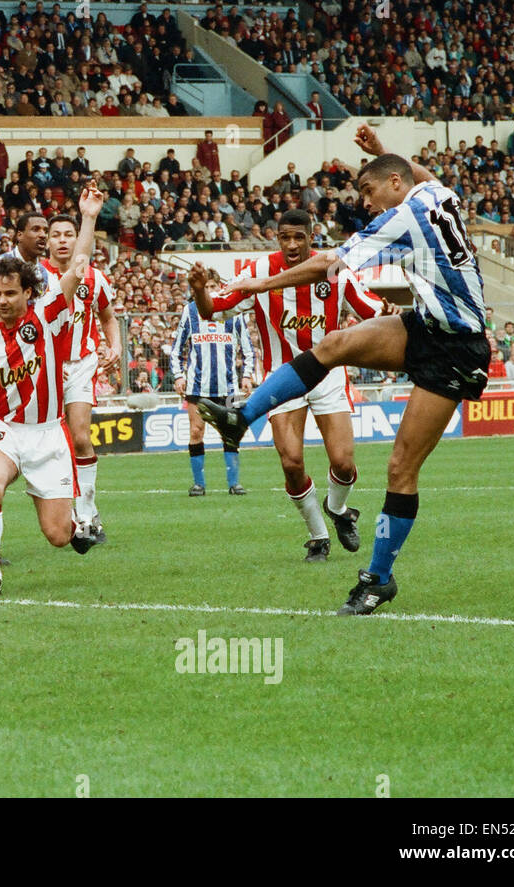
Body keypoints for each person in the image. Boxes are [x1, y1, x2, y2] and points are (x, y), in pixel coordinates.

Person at [195, 125, 491, 615]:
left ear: (394, 184)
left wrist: (255, 286)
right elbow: (421, 172)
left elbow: (329, 264)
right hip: (429, 325)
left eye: (369, 191)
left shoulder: (404, 215)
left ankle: (378, 579)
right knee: (333, 344)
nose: (368, 203)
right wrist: (383, 152)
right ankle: (240, 417)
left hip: (456, 348)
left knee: (400, 466)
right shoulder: (436, 193)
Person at [190, 208, 385, 561]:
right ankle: (318, 535)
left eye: (299, 237)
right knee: (292, 463)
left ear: (312, 236)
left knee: (342, 463)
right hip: (281, 378)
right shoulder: (259, 272)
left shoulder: (335, 270)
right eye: (285, 237)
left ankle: (338, 511)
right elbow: (212, 309)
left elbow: (375, 312)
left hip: (328, 375)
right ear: (276, 238)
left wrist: (397, 313)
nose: (292, 244)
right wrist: (199, 289)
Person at [0, 184, 104, 599]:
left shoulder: (48, 316)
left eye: (10, 293)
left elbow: (78, 267)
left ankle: (76, 526)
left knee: (57, 536)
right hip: (5, 428)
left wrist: (88, 216)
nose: (1, 301)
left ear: (28, 292)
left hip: (48, 433)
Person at [40, 212, 121, 540]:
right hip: (44, 369)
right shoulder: (35, 276)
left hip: (81, 364)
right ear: (46, 241)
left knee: (81, 438)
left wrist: (114, 345)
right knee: (48, 446)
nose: (62, 240)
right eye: (55, 234)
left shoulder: (95, 278)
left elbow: (108, 316)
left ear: (78, 239)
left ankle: (86, 514)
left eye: (68, 234)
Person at [170, 299, 253, 497]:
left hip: (228, 387)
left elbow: (248, 349)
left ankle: (234, 483)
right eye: (208, 288)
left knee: (230, 434)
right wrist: (179, 375)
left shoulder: (235, 312)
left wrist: (248, 375)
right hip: (198, 387)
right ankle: (199, 484)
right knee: (196, 431)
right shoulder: (190, 311)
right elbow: (176, 349)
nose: (212, 292)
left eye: (216, 287)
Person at [0, 211, 50, 315]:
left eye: (46, 231)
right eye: (36, 229)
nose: (42, 235)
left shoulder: (44, 274)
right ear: (20, 235)